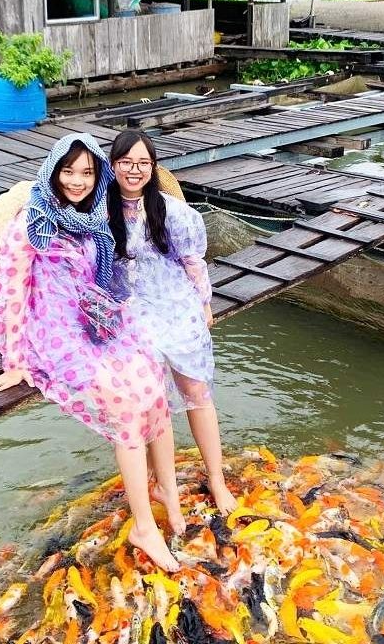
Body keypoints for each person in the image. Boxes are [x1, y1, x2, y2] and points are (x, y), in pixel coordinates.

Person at [0, 132, 181, 571]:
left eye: (87, 172)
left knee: (152, 374)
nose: (77, 181)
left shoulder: (92, 219)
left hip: (96, 319)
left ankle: (166, 488)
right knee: (125, 401)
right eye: (68, 171)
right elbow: (12, 291)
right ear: (54, 171)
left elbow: (103, 277)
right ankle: (143, 527)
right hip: (54, 329)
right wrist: (13, 359)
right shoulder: (30, 224)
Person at [107, 131, 238, 516]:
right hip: (130, 311)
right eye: (126, 163)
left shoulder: (172, 211)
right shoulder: (100, 212)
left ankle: (216, 476)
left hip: (175, 304)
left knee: (196, 391)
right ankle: (157, 480)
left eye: (143, 163)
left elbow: (193, 261)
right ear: (113, 166)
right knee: (148, 396)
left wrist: (204, 303)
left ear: (153, 167)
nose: (134, 170)